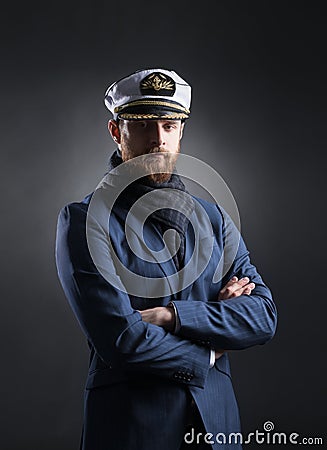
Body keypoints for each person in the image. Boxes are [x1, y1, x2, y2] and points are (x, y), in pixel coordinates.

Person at [55, 68, 277, 450]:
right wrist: (211, 349)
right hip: (131, 433)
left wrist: (173, 316)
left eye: (169, 125)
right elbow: (123, 340)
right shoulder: (84, 220)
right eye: (143, 125)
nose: (158, 139)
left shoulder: (213, 219)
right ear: (116, 132)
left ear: (180, 132)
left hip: (218, 431)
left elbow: (263, 315)